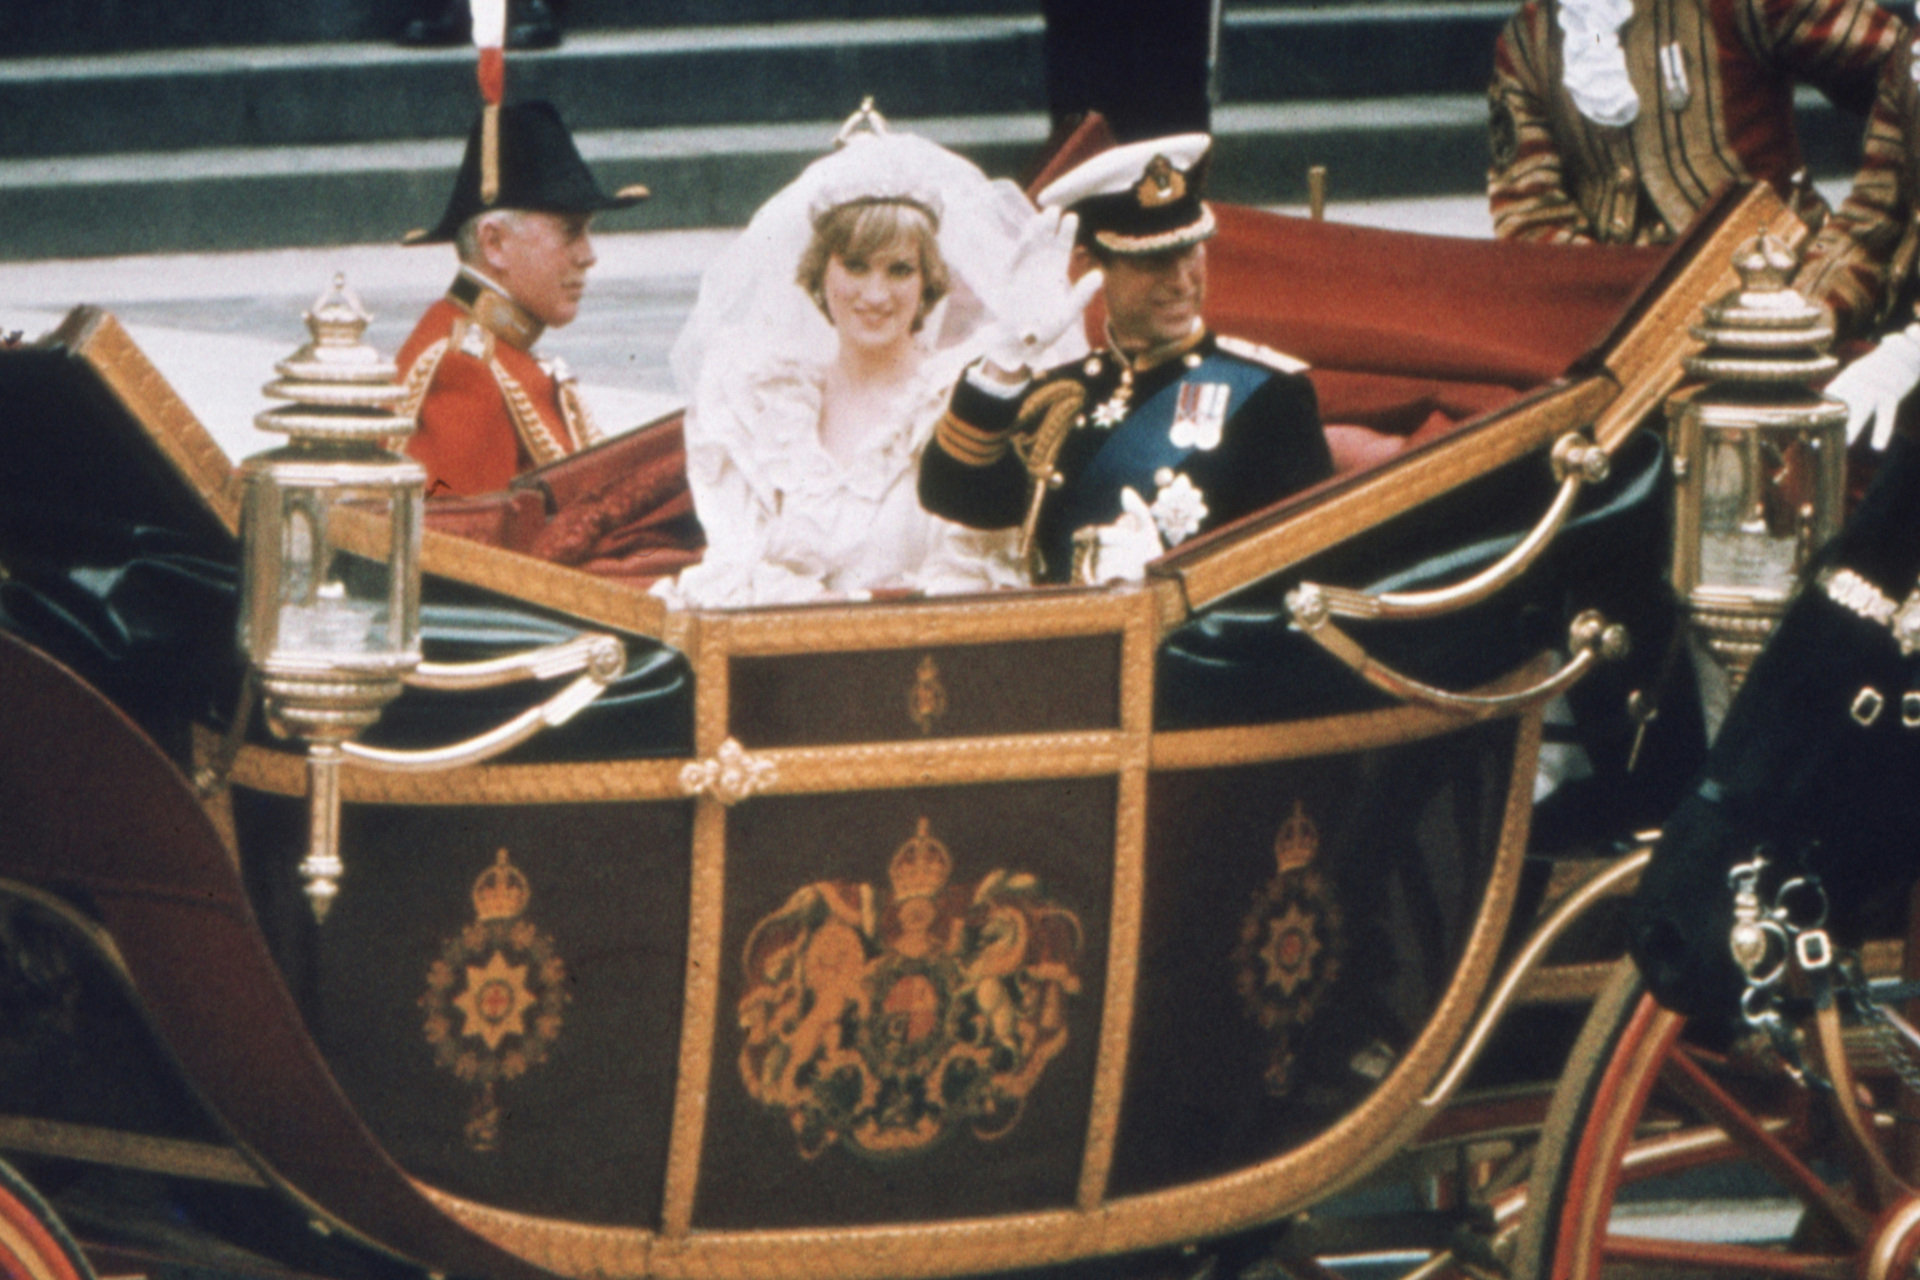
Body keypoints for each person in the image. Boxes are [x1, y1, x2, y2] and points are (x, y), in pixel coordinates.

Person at [659, 113, 1081, 607]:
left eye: (899, 269)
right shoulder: (763, 399)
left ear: (928, 283)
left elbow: (976, 574)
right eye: (855, 266)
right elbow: (737, 567)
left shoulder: (956, 400)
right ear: (820, 273)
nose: (875, 294)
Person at [917, 135, 1333, 585]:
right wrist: (1006, 356)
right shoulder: (1062, 398)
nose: (1181, 282)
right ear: (1087, 267)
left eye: (1190, 250)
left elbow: (1303, 582)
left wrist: (1172, 584)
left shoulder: (1269, 398)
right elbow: (954, 493)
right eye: (1153, 261)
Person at [1486, 0, 1900, 245]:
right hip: (1607, 310)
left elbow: (1904, 71)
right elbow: (1528, 211)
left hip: (1775, 284)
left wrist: (1866, 225)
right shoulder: (1526, 42)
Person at [396, 100, 646, 497]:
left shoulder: (499, 351)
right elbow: (469, 543)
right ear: (494, 243)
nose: (588, 255)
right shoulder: (464, 368)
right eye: (570, 231)